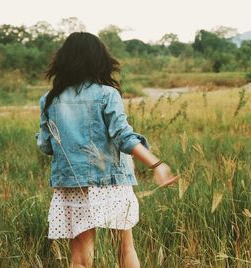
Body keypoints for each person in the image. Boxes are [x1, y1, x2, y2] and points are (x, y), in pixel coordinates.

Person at [35, 32, 178, 268]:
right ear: (99, 60)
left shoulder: (49, 100)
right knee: (124, 248)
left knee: (80, 259)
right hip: (110, 182)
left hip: (72, 184)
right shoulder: (107, 94)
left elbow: (46, 145)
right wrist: (156, 164)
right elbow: (123, 137)